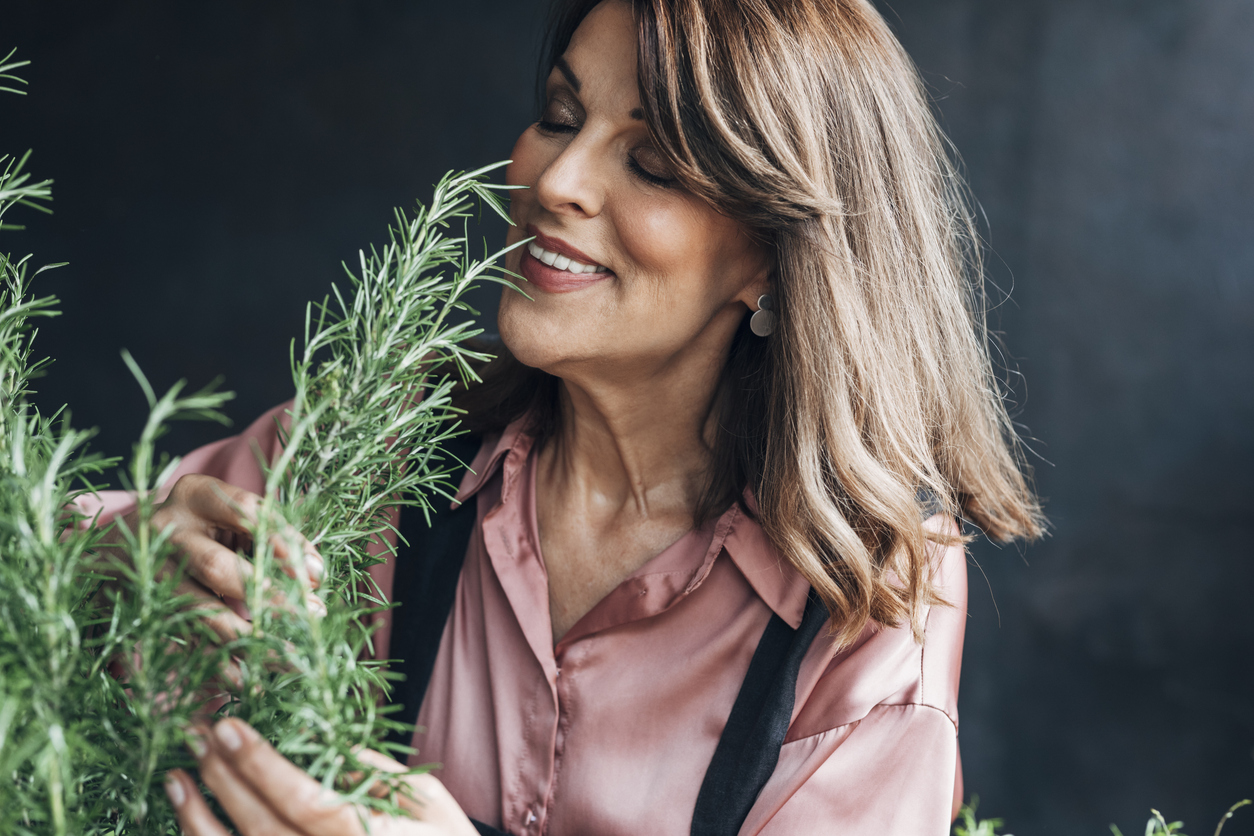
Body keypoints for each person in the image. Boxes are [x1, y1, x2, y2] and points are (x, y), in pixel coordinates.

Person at [99, 0, 1044, 833]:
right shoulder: (381, 450)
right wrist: (108, 564)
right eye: (561, 116)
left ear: (772, 257)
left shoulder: (873, 604)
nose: (556, 181)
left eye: (653, 164)